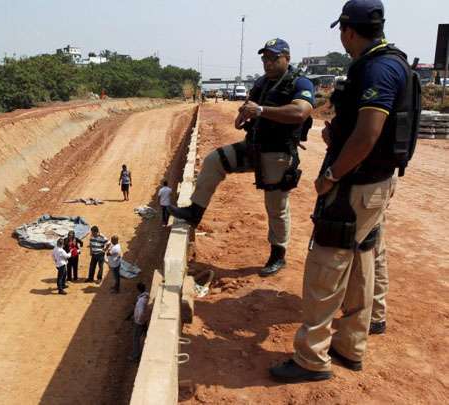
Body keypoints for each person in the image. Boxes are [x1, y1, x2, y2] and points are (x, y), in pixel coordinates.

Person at [270, 0, 416, 382]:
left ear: (349, 31)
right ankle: (350, 346)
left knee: (327, 268)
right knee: (362, 258)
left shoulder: (378, 69)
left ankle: (311, 358)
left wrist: (332, 173)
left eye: (342, 31)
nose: (341, 38)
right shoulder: (394, 62)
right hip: (374, 183)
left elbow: (368, 134)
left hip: (355, 185)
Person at [169, 37, 315, 277]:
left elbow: (300, 111)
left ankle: (278, 254)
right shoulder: (262, 83)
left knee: (276, 207)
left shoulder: (299, 83)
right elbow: (245, 111)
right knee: (214, 161)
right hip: (253, 146)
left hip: (278, 153)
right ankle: (194, 212)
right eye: (265, 58)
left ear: (287, 58)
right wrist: (245, 113)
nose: (268, 63)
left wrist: (260, 111)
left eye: (274, 58)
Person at [129, 282, 150, 361]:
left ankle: (135, 356)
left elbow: (140, 312)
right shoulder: (146, 297)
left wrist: (137, 319)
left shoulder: (141, 301)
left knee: (136, 338)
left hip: (139, 322)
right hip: (144, 320)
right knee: (143, 335)